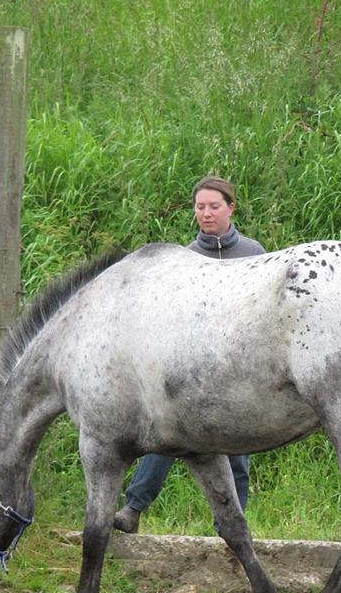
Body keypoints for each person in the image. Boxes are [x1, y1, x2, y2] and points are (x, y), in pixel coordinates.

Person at [112, 175, 266, 533]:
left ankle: (232, 528)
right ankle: (133, 509)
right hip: (191, 370)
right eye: (200, 207)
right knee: (164, 438)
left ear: (231, 208)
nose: (206, 214)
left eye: (214, 206)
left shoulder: (255, 253)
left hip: (240, 367)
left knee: (237, 454)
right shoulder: (185, 259)